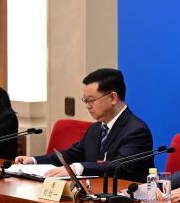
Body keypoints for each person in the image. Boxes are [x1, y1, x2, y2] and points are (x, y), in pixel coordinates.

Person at [13, 68, 154, 182]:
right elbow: (70, 155)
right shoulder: (96, 128)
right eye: (85, 100)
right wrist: (34, 160)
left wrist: (77, 168)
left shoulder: (136, 131)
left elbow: (118, 167)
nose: (87, 106)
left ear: (113, 98)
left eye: (91, 100)